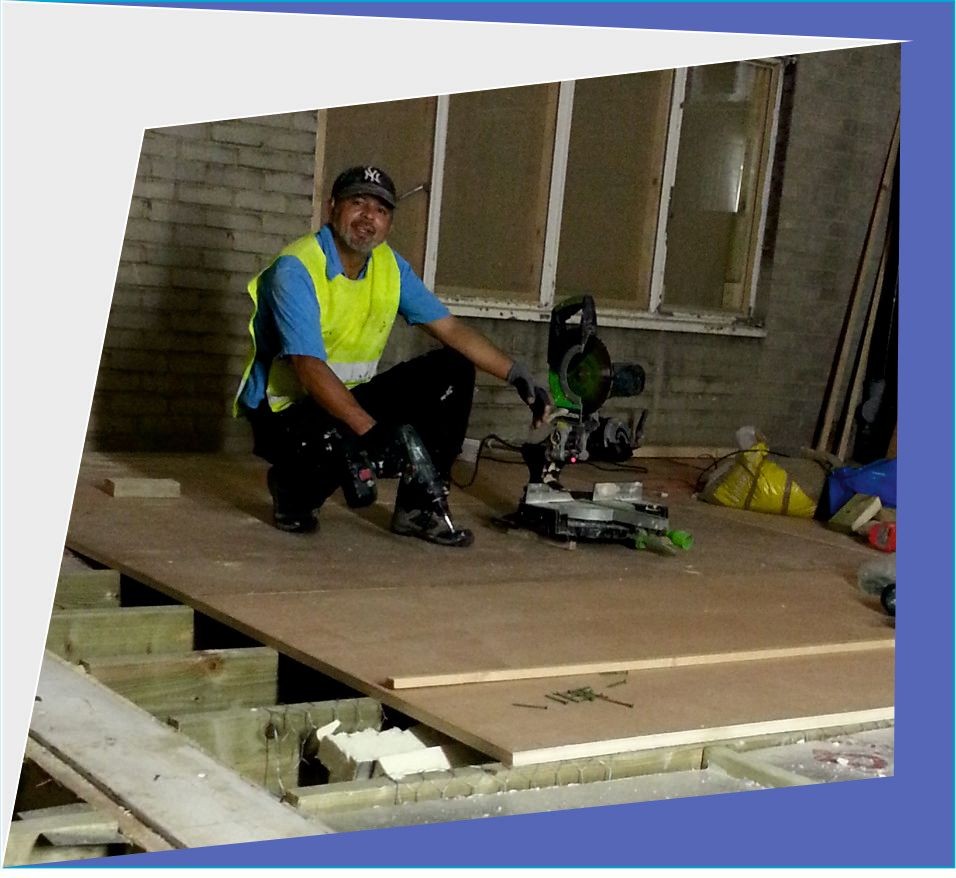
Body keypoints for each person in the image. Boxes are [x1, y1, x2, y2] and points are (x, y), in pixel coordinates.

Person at [234, 165, 550, 547]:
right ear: (332, 208)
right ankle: (292, 487)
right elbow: (308, 367)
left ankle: (417, 510)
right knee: (337, 442)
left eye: (381, 210)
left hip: (347, 395)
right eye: (358, 203)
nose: (369, 217)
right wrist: (372, 432)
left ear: (389, 224)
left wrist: (516, 373)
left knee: (452, 367)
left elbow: (449, 329)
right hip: (288, 413)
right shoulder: (297, 269)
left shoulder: (389, 268)